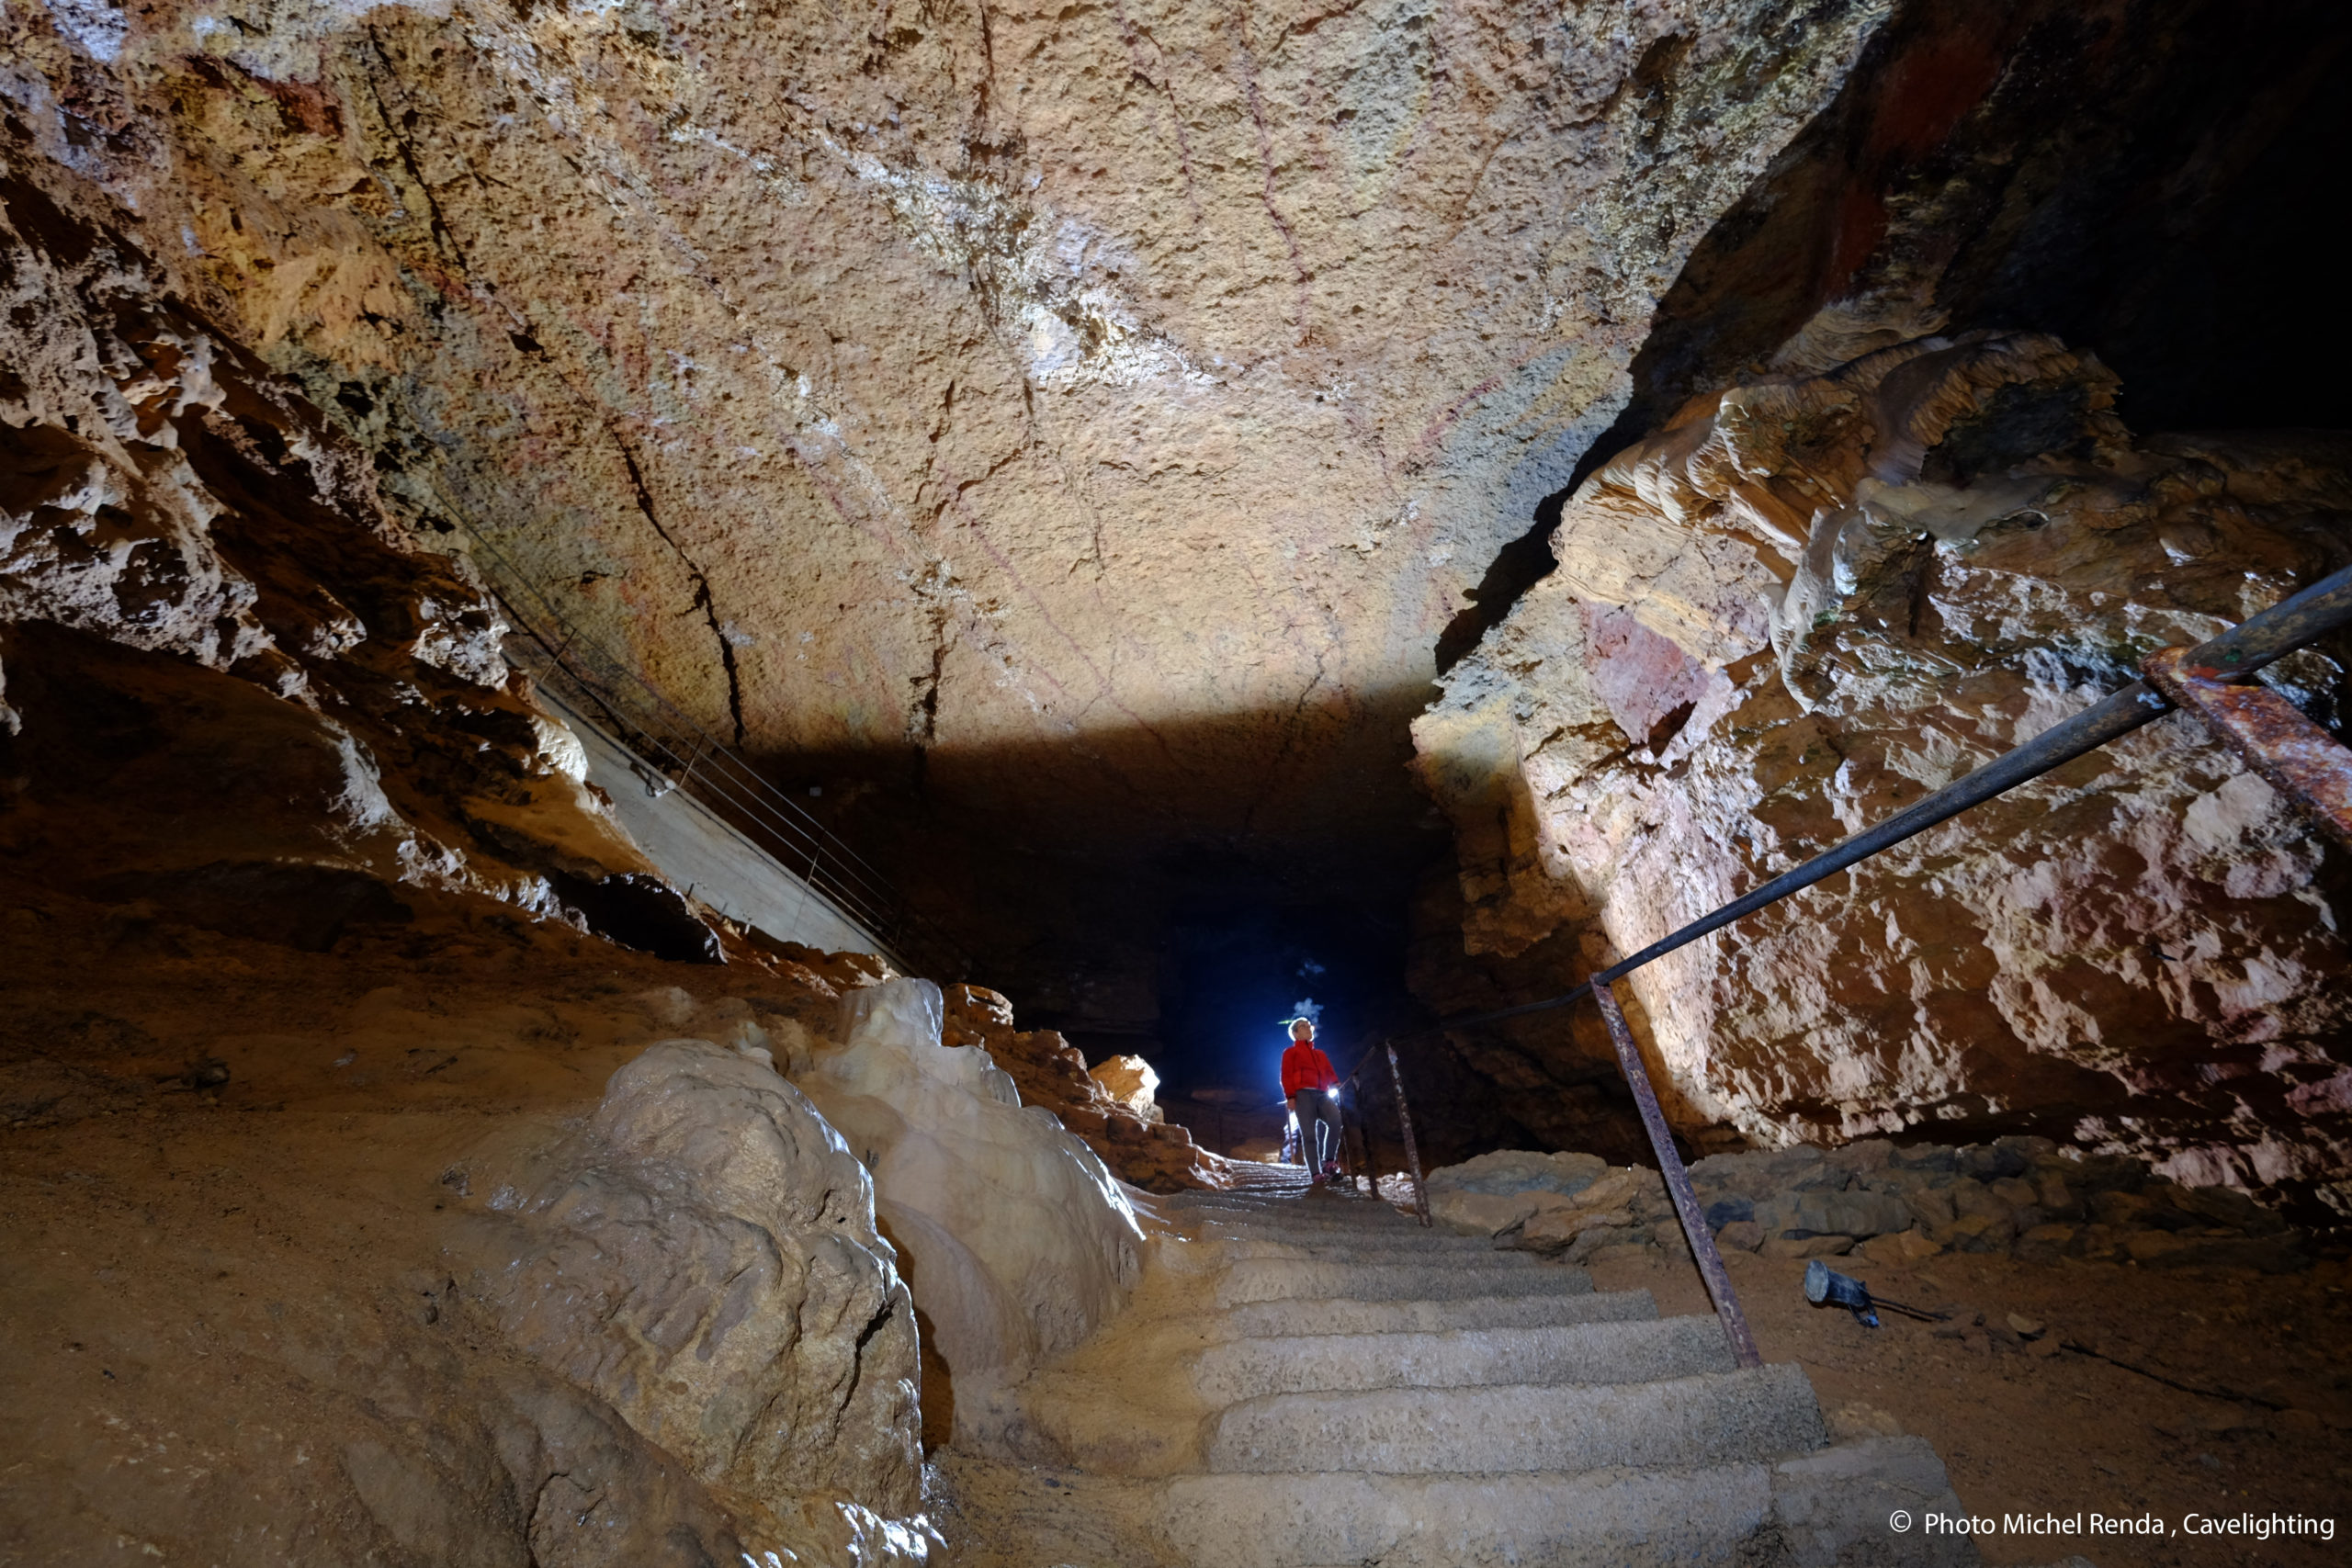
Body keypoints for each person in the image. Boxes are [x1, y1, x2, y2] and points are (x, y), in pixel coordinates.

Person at [1279, 1018, 1341, 1182]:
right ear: (1295, 1033)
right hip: (1303, 1095)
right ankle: (1315, 1173)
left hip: (1322, 1094)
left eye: (1309, 1026)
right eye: (1303, 1027)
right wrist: (1290, 1096)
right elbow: (1285, 1076)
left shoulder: (1320, 1054)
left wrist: (1335, 1083)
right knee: (1309, 1135)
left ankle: (1329, 1161)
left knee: (1336, 1121)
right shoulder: (1290, 1052)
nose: (1308, 1028)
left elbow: (1329, 1071)